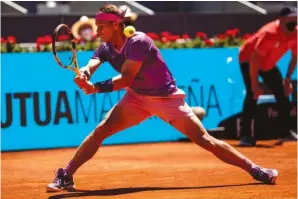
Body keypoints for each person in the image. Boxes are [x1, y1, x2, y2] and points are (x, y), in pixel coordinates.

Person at [46, 4, 278, 192]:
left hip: (167, 99)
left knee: (205, 140)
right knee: (101, 130)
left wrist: (94, 88)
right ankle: (67, 175)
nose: (98, 30)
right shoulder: (105, 47)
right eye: (97, 26)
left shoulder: (139, 42)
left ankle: (256, 170)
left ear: (116, 25)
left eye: (102, 26)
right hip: (137, 98)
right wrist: (85, 73)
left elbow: (125, 78)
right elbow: (92, 64)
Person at [238, 7, 297, 147]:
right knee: (253, 94)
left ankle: (286, 132)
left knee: (282, 93)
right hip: (248, 60)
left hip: (268, 64)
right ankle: (246, 136)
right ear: (282, 19)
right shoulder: (269, 34)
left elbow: (295, 56)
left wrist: (287, 80)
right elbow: (255, 60)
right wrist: (255, 84)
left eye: (296, 18)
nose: (294, 21)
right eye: (291, 18)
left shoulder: (296, 33)